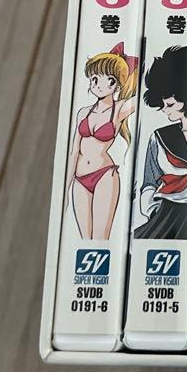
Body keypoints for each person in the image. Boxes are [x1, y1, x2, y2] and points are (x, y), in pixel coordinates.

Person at [132, 46, 187, 240]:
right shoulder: (160, 137)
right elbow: (149, 182)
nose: (164, 109)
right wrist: (152, 209)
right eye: (163, 104)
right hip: (166, 212)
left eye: (170, 104)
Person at [66, 44, 138, 239]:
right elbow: (74, 151)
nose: (98, 84)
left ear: (117, 85)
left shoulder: (119, 109)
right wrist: (66, 186)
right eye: (94, 79)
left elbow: (143, 95)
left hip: (104, 175)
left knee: (101, 239)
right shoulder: (83, 112)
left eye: (109, 80)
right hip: (79, 179)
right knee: (84, 239)